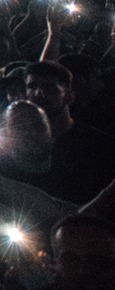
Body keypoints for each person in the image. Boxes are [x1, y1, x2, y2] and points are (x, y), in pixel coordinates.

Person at [22, 63, 115, 204]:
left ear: (70, 97)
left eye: (49, 87)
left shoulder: (98, 145)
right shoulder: (18, 143)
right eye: (32, 86)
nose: (39, 94)